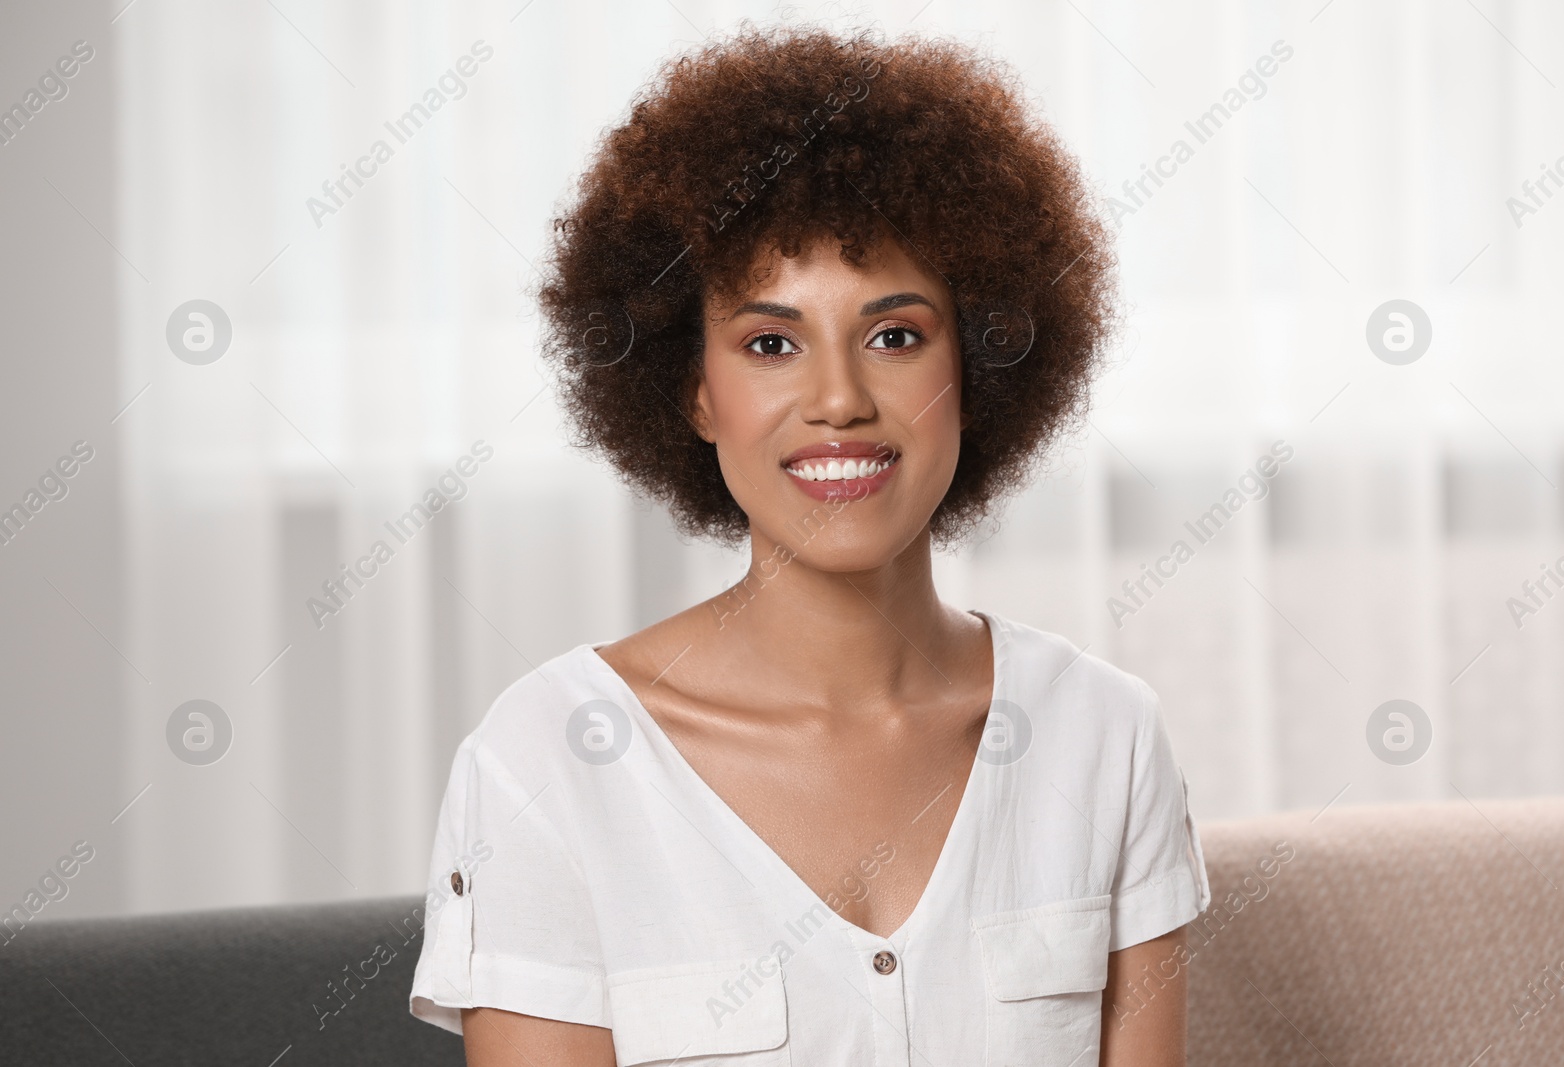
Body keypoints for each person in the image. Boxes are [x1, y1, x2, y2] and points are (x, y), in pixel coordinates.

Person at [410, 22, 1210, 1066]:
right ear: (692, 389)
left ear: (972, 367)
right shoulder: (548, 763)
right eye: (771, 343)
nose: (838, 399)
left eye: (894, 335)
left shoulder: (1104, 738)